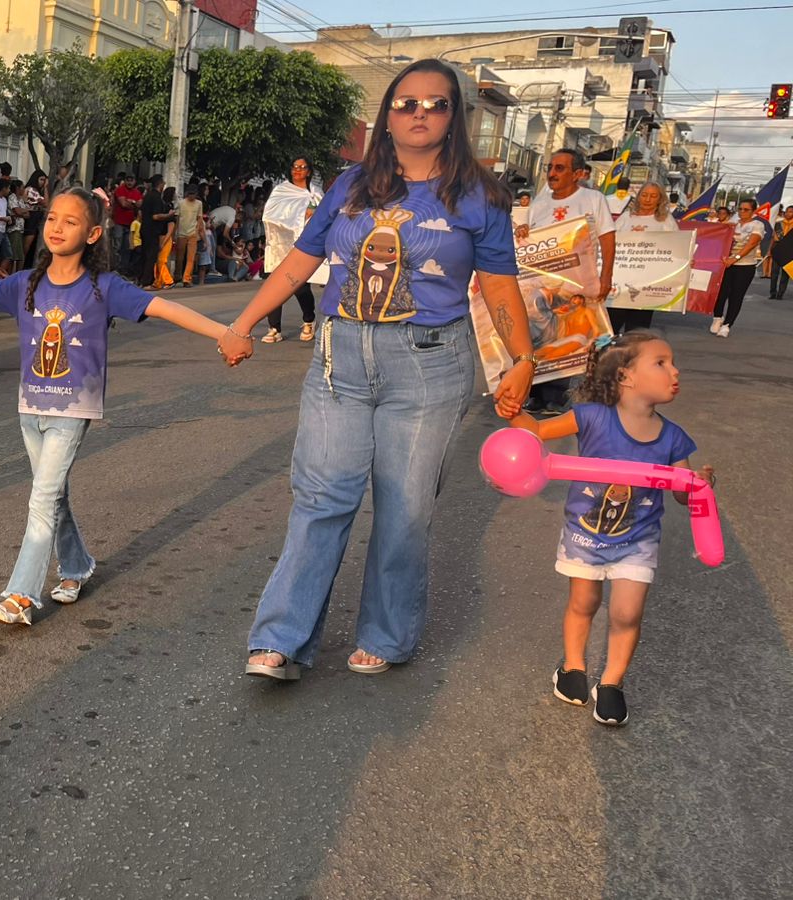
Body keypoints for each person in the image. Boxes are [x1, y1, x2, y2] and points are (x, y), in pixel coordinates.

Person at [226, 58, 536, 680]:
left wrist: (521, 360)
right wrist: (244, 322)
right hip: (341, 356)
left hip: (429, 365)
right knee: (321, 498)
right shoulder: (349, 185)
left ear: (455, 118)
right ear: (387, 114)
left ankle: (387, 633)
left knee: (406, 506)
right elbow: (298, 264)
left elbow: (500, 288)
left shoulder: (479, 195)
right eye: (406, 102)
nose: (419, 113)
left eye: (436, 103)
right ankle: (282, 637)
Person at [0, 188, 230, 625]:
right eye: (52, 218)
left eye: (70, 222)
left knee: (42, 496)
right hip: (29, 407)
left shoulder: (104, 288)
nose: (56, 227)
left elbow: (163, 307)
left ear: (92, 234)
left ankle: (21, 595)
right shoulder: (24, 284)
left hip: (73, 410)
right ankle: (77, 566)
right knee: (54, 496)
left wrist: (224, 332)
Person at [507, 331, 711, 726]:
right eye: (661, 363)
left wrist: (700, 483)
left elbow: (684, 494)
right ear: (625, 377)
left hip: (637, 540)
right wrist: (512, 408)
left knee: (627, 612)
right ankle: (573, 669)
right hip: (585, 537)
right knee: (584, 603)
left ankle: (612, 684)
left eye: (672, 362)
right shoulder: (591, 417)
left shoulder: (673, 438)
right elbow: (535, 433)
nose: (675, 371)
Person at [520, 148, 616, 412]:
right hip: (542, 286)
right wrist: (522, 232)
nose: (552, 174)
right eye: (549, 168)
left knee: (569, 336)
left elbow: (608, 239)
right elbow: (528, 240)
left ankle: (557, 395)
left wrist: (605, 276)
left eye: (560, 168)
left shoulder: (593, 199)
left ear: (578, 174)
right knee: (539, 336)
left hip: (576, 285)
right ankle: (535, 394)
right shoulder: (539, 204)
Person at [260, 157, 322, 343]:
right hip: (280, 245)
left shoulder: (315, 194)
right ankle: (274, 328)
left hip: (302, 246)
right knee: (274, 286)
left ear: (309, 171)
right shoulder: (280, 191)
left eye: (302, 167)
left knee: (300, 287)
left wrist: (313, 213)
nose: (298, 170)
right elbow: (269, 215)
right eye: (295, 167)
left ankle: (309, 320)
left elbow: (325, 217)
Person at [609, 182, 676, 333]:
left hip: (647, 284)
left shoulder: (665, 220)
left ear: (660, 199)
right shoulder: (626, 217)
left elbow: (675, 248)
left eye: (653, 196)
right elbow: (610, 240)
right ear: (638, 197)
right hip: (619, 281)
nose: (648, 199)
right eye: (644, 195)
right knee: (611, 327)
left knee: (636, 331)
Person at [712, 199, 767, 338]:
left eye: (746, 210)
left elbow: (751, 244)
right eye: (740, 209)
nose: (742, 212)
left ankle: (727, 325)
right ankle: (717, 317)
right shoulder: (732, 224)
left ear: (753, 211)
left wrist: (734, 258)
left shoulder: (757, 225)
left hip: (745, 267)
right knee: (720, 293)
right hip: (726, 265)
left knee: (736, 296)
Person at [110, 173, 142, 277]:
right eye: (128, 180)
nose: (129, 182)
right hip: (119, 222)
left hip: (131, 224)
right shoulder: (120, 190)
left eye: (131, 180)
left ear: (135, 181)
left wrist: (130, 202)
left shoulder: (137, 192)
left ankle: (123, 269)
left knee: (127, 248)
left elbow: (140, 204)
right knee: (117, 246)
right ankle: (114, 268)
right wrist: (133, 203)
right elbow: (123, 204)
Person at [173, 185, 203, 288]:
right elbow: (177, 218)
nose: (191, 196)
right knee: (179, 257)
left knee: (191, 258)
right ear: (187, 194)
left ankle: (186, 279)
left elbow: (199, 218)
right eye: (190, 194)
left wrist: (197, 230)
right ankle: (177, 276)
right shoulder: (181, 203)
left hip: (192, 233)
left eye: (193, 194)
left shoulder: (199, 204)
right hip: (181, 233)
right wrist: (175, 233)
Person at [21, 170, 47, 267]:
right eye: (41, 180)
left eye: (44, 180)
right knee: (26, 247)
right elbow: (46, 203)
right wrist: (46, 188)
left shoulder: (38, 191)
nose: (42, 182)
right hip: (31, 219)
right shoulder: (31, 190)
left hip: (35, 218)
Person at [768, 206, 793, 300]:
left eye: (790, 212)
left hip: (789, 251)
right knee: (774, 272)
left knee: (785, 274)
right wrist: (770, 250)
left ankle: (780, 293)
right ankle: (772, 292)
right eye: (787, 211)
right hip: (777, 249)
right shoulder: (778, 224)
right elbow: (773, 239)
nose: (788, 213)